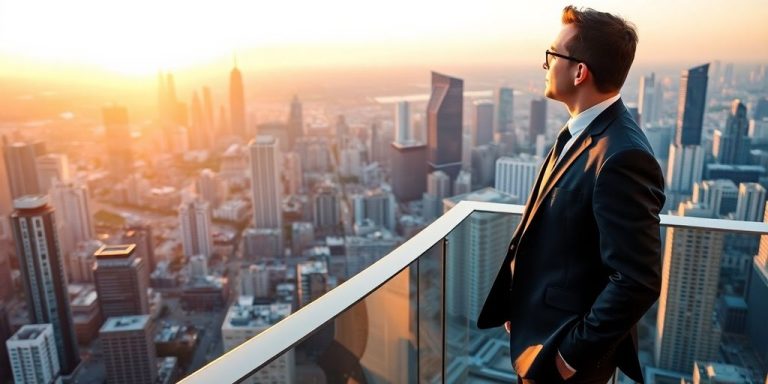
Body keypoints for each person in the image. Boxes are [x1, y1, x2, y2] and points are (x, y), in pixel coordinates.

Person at [477, 5, 665, 384]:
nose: (544, 65)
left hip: (564, 359)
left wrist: (568, 356)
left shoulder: (622, 154)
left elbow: (637, 279)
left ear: (580, 71)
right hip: (540, 338)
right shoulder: (586, 132)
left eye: (552, 55)